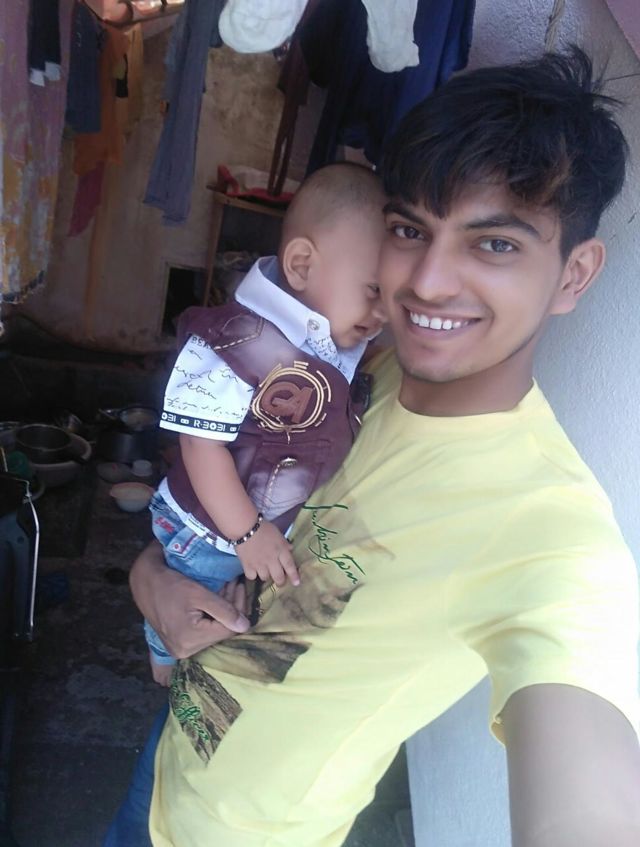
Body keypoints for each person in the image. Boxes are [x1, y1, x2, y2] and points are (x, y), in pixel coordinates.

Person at [108, 47, 640, 847]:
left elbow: (588, 799)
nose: (427, 281)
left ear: (574, 275)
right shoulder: (355, 372)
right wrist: (151, 579)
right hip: (165, 767)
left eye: (495, 244)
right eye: (409, 229)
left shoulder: (552, 535)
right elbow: (205, 507)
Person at [145, 163, 386, 685]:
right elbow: (200, 446)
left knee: (225, 611)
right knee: (195, 603)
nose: (383, 311)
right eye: (373, 289)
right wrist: (248, 532)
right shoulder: (238, 341)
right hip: (209, 529)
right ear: (301, 264)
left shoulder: (331, 340)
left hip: (253, 531)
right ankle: (162, 662)